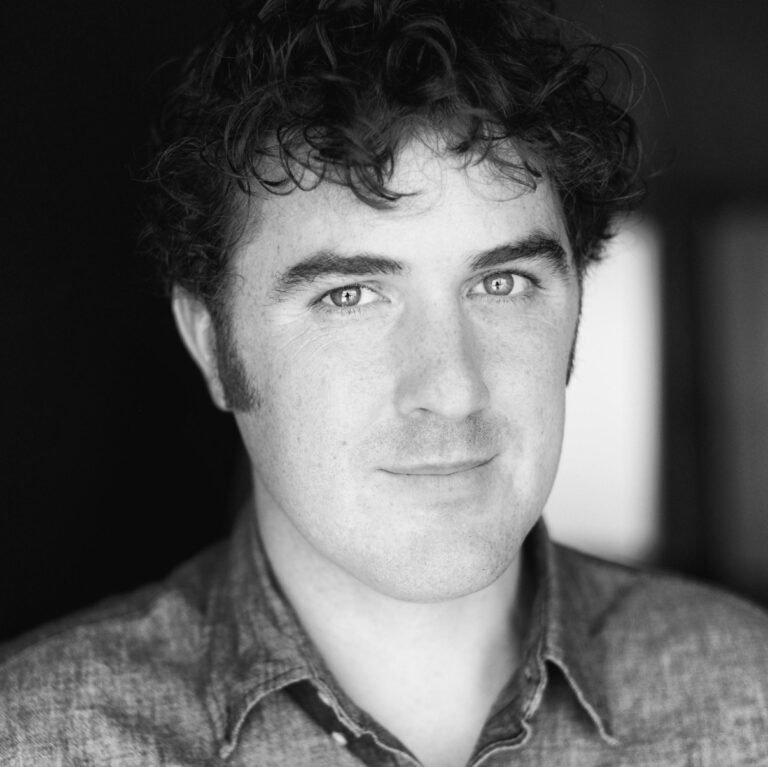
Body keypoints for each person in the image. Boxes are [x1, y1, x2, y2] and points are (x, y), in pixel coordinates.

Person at [2, 0, 768, 765]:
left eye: (502, 283)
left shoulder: (747, 693)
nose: (453, 388)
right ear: (212, 343)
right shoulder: (35, 738)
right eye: (350, 296)